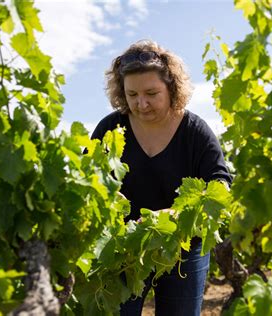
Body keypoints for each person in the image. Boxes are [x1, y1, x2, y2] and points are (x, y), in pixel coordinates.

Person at [91, 39, 232, 316]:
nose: (141, 104)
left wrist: (175, 215)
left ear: (172, 88)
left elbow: (220, 185)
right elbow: (90, 178)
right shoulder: (110, 128)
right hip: (123, 247)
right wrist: (105, 194)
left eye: (151, 93)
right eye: (132, 95)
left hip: (184, 248)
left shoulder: (195, 131)